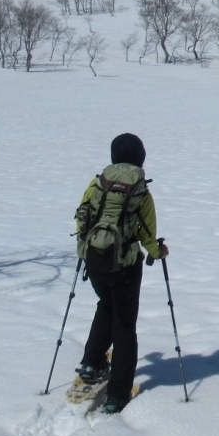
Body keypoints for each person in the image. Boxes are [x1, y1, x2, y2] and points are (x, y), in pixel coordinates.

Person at [74, 132, 168, 414]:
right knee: (125, 325)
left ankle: (92, 363)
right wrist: (157, 252)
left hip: (95, 259)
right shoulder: (140, 190)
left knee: (106, 306)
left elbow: (83, 216)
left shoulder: (97, 183)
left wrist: (85, 249)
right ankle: (118, 393)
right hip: (125, 265)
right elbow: (147, 232)